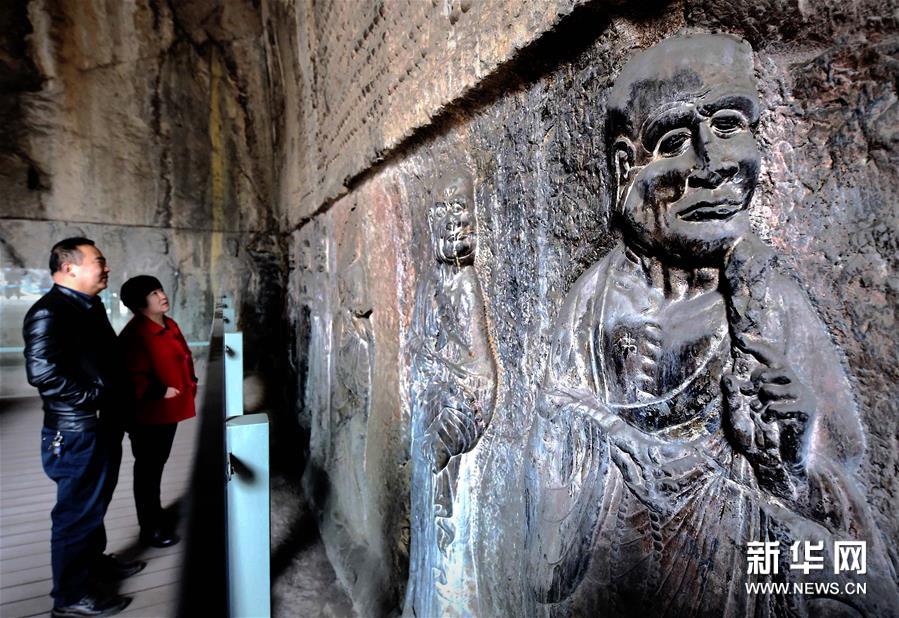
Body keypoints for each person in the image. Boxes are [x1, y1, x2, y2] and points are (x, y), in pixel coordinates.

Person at [525, 34, 898, 615]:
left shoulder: (770, 302)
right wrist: (606, 437)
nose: (711, 164)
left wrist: (788, 466)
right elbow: (545, 541)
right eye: (676, 140)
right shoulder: (593, 304)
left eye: (728, 126)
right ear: (625, 169)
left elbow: (855, 569)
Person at [23, 237, 144, 618]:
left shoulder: (87, 307)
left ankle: (94, 566)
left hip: (99, 424)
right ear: (69, 267)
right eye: (99, 261)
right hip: (77, 430)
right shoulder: (50, 311)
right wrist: (96, 396)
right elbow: (42, 373)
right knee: (76, 514)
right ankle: (71, 596)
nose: (105, 267)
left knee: (94, 504)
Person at [119, 275, 197, 548]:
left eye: (160, 289)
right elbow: (130, 376)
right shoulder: (135, 334)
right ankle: (150, 528)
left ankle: (154, 515)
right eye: (153, 293)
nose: (162, 295)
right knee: (148, 471)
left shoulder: (168, 323)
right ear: (139, 303)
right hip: (148, 414)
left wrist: (191, 384)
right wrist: (159, 391)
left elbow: (184, 357)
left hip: (166, 411)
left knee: (156, 466)